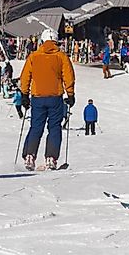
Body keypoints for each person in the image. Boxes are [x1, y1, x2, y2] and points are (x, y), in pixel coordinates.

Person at [20, 28, 75, 171]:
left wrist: (24, 94)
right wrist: (70, 94)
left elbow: (25, 76)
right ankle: (51, 157)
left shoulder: (33, 56)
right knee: (54, 127)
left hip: (38, 97)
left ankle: (30, 155)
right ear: (56, 41)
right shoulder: (61, 56)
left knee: (36, 127)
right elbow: (68, 76)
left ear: (42, 41)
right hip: (55, 96)